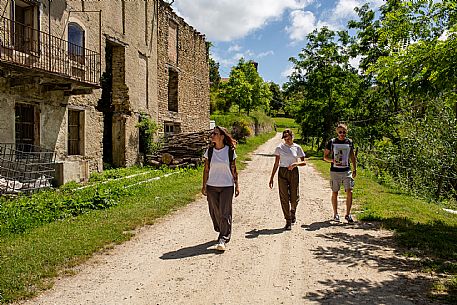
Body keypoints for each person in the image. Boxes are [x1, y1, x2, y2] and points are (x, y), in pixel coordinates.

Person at [202, 126, 240, 251]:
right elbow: (206, 169)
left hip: (227, 186)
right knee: (214, 211)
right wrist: (204, 185)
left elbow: (234, 169)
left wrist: (237, 185)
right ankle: (221, 229)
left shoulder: (229, 151)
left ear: (222, 136)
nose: (212, 135)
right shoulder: (210, 151)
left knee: (225, 212)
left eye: (215, 133)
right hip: (212, 185)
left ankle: (223, 238)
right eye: (212, 133)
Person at [269, 129, 306, 230]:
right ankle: (288, 220)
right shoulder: (279, 148)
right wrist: (271, 177)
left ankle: (293, 210)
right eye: (285, 137)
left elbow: (304, 162)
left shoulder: (297, 147)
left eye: (288, 137)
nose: (287, 139)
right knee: (284, 197)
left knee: (294, 196)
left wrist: (295, 164)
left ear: (292, 137)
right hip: (282, 172)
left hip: (293, 172)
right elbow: (276, 163)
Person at [323, 123, 357, 223]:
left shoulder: (349, 142)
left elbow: (352, 156)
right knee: (335, 192)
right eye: (340, 132)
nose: (342, 134)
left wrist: (355, 169)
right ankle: (335, 214)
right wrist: (332, 161)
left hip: (347, 170)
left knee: (349, 191)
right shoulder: (332, 142)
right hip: (335, 171)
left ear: (346, 132)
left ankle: (348, 214)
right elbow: (325, 157)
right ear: (337, 132)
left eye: (344, 132)